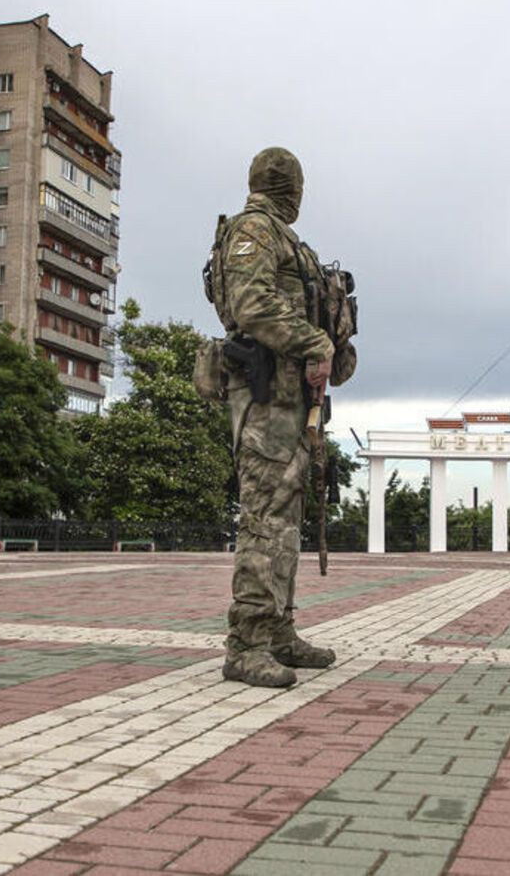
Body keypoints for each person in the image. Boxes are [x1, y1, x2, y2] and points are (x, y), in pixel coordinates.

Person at [208, 146, 354, 688]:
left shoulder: (287, 239)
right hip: (266, 397)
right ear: (292, 188)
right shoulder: (255, 230)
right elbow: (250, 304)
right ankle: (245, 644)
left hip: (292, 401)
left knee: (284, 522)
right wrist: (315, 340)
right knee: (264, 520)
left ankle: (277, 631)